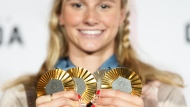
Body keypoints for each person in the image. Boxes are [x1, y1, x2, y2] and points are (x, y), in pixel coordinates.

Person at [0, 0, 187, 107]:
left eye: (104, 5)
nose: (90, 18)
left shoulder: (163, 97)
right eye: (78, 5)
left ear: (121, 15)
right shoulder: (21, 97)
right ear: (60, 15)